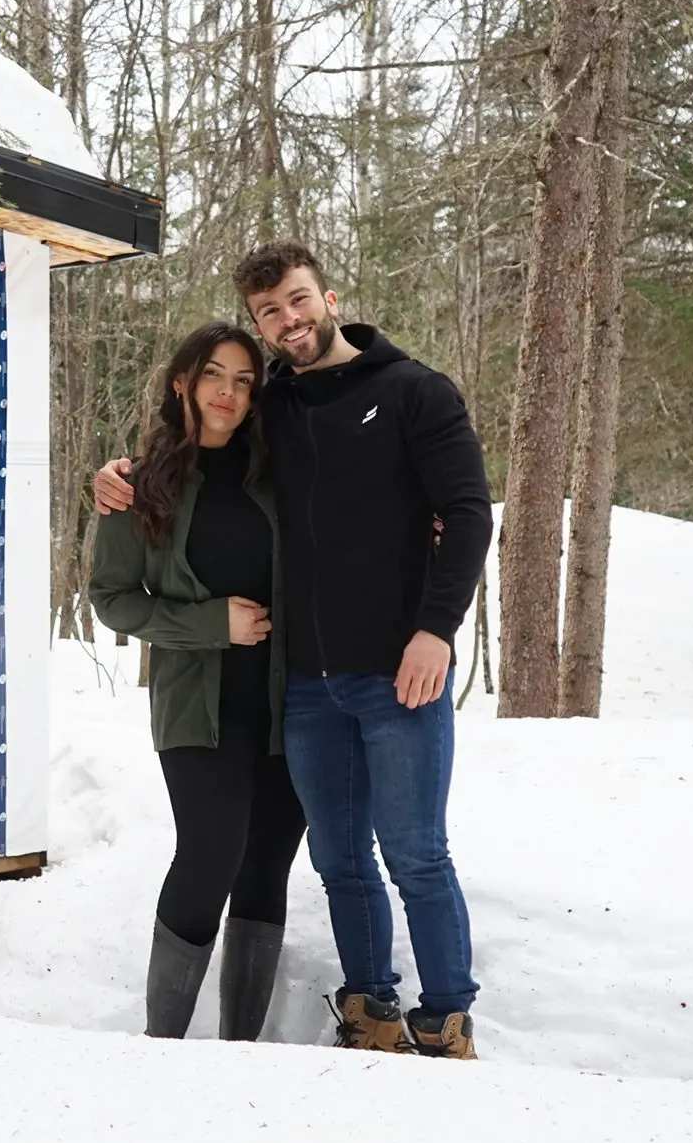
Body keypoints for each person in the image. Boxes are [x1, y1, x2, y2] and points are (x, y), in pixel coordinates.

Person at [95, 241, 493, 1060]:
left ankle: (435, 1021)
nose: (287, 321)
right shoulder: (229, 433)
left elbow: (461, 511)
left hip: (359, 679)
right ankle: (337, 1016)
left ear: (329, 297)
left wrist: (436, 625)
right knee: (302, 859)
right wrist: (117, 478)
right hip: (272, 692)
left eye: (298, 300)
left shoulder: (391, 399)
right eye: (268, 312)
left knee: (396, 854)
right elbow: (131, 568)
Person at [89, 322, 304, 1042]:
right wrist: (212, 624)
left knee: (267, 862)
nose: (228, 392)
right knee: (211, 853)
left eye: (244, 380)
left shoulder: (278, 473)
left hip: (288, 702)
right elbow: (113, 598)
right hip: (197, 706)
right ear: (182, 380)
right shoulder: (138, 486)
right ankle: (163, 1047)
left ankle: (240, 1050)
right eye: (214, 374)